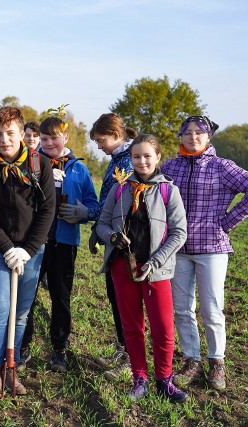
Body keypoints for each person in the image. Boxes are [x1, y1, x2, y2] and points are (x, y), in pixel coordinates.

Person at [161, 116, 248, 391]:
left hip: (212, 249)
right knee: (183, 309)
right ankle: (191, 360)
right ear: (181, 136)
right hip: (178, 248)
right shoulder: (170, 167)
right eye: (188, 132)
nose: (193, 137)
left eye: (199, 133)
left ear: (208, 137)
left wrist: (227, 222)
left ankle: (216, 361)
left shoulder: (222, 167)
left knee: (211, 308)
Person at [96, 134, 188, 403]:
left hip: (155, 270)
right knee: (132, 327)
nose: (142, 161)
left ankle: (164, 380)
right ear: (131, 159)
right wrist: (112, 237)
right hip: (123, 268)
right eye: (137, 156)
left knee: (163, 327)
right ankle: (140, 379)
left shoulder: (168, 191)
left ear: (158, 157)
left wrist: (155, 261)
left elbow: (179, 233)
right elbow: (102, 224)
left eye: (148, 155)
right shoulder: (120, 189)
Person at [0, 107, 55, 397]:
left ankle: (12, 368)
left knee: (20, 313)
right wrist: (7, 248)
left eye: (10, 133)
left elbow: (47, 211)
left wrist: (27, 250)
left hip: (32, 250)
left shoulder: (39, 165)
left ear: (22, 134)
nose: (4, 139)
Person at [19, 115, 100, 373]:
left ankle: (59, 350)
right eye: (44, 139)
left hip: (64, 243)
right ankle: (22, 347)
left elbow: (94, 204)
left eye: (55, 138)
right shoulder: (29, 163)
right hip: (34, 242)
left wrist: (83, 213)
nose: (50, 143)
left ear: (65, 137)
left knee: (61, 298)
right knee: (27, 297)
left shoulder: (79, 169)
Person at [88, 113, 138, 380]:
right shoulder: (117, 160)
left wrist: (103, 227)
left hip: (126, 241)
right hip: (112, 237)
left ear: (117, 136)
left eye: (101, 140)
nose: (98, 146)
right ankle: (122, 348)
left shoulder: (131, 160)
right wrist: (99, 228)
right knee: (115, 297)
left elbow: (124, 204)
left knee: (125, 302)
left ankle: (131, 359)